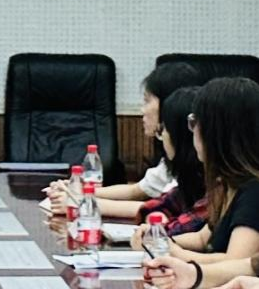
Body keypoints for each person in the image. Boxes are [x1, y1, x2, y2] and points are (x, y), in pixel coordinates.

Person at [143, 78, 259, 289]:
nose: (192, 130)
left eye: (194, 122)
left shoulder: (254, 190)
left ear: (217, 132)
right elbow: (203, 238)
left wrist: (176, 254)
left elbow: (238, 262)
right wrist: (160, 240)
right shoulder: (225, 183)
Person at [47, 61, 201, 217]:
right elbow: (137, 190)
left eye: (147, 101)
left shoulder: (197, 166)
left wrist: (82, 203)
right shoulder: (174, 158)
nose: (142, 110)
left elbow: (161, 209)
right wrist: (80, 191)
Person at [129, 86, 207, 245]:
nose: (162, 136)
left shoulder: (215, 182)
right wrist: (156, 218)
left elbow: (189, 227)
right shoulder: (188, 178)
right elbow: (156, 206)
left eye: (164, 129)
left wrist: (158, 231)